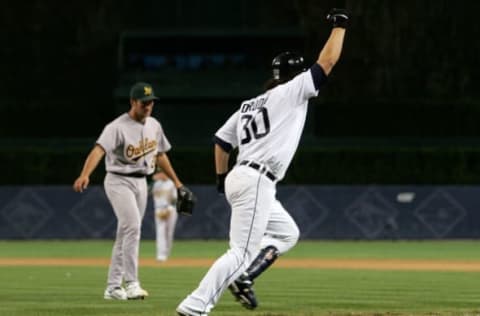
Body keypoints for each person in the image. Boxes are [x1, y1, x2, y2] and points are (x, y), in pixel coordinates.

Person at [176, 8, 349, 316]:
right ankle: (195, 306)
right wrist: (340, 26)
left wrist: (220, 180)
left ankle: (244, 278)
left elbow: (221, 141)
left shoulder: (249, 104)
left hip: (241, 176)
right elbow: (327, 63)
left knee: (287, 233)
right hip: (257, 179)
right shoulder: (292, 91)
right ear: (295, 75)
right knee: (240, 252)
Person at [73, 81, 189, 301]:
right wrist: (85, 174)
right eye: (144, 102)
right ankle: (132, 283)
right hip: (118, 181)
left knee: (125, 232)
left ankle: (113, 287)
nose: (148, 106)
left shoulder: (154, 125)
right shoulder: (116, 127)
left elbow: (161, 155)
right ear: (133, 102)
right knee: (133, 227)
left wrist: (178, 183)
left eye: (151, 102)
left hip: (141, 182)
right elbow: (98, 150)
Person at [151, 168, 178, 261]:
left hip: (170, 209)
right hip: (159, 209)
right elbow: (148, 192)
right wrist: (151, 181)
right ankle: (161, 254)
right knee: (160, 231)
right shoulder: (156, 184)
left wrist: (169, 209)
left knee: (169, 233)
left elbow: (175, 199)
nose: (159, 174)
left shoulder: (172, 183)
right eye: (158, 173)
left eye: (161, 172)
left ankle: (167, 252)